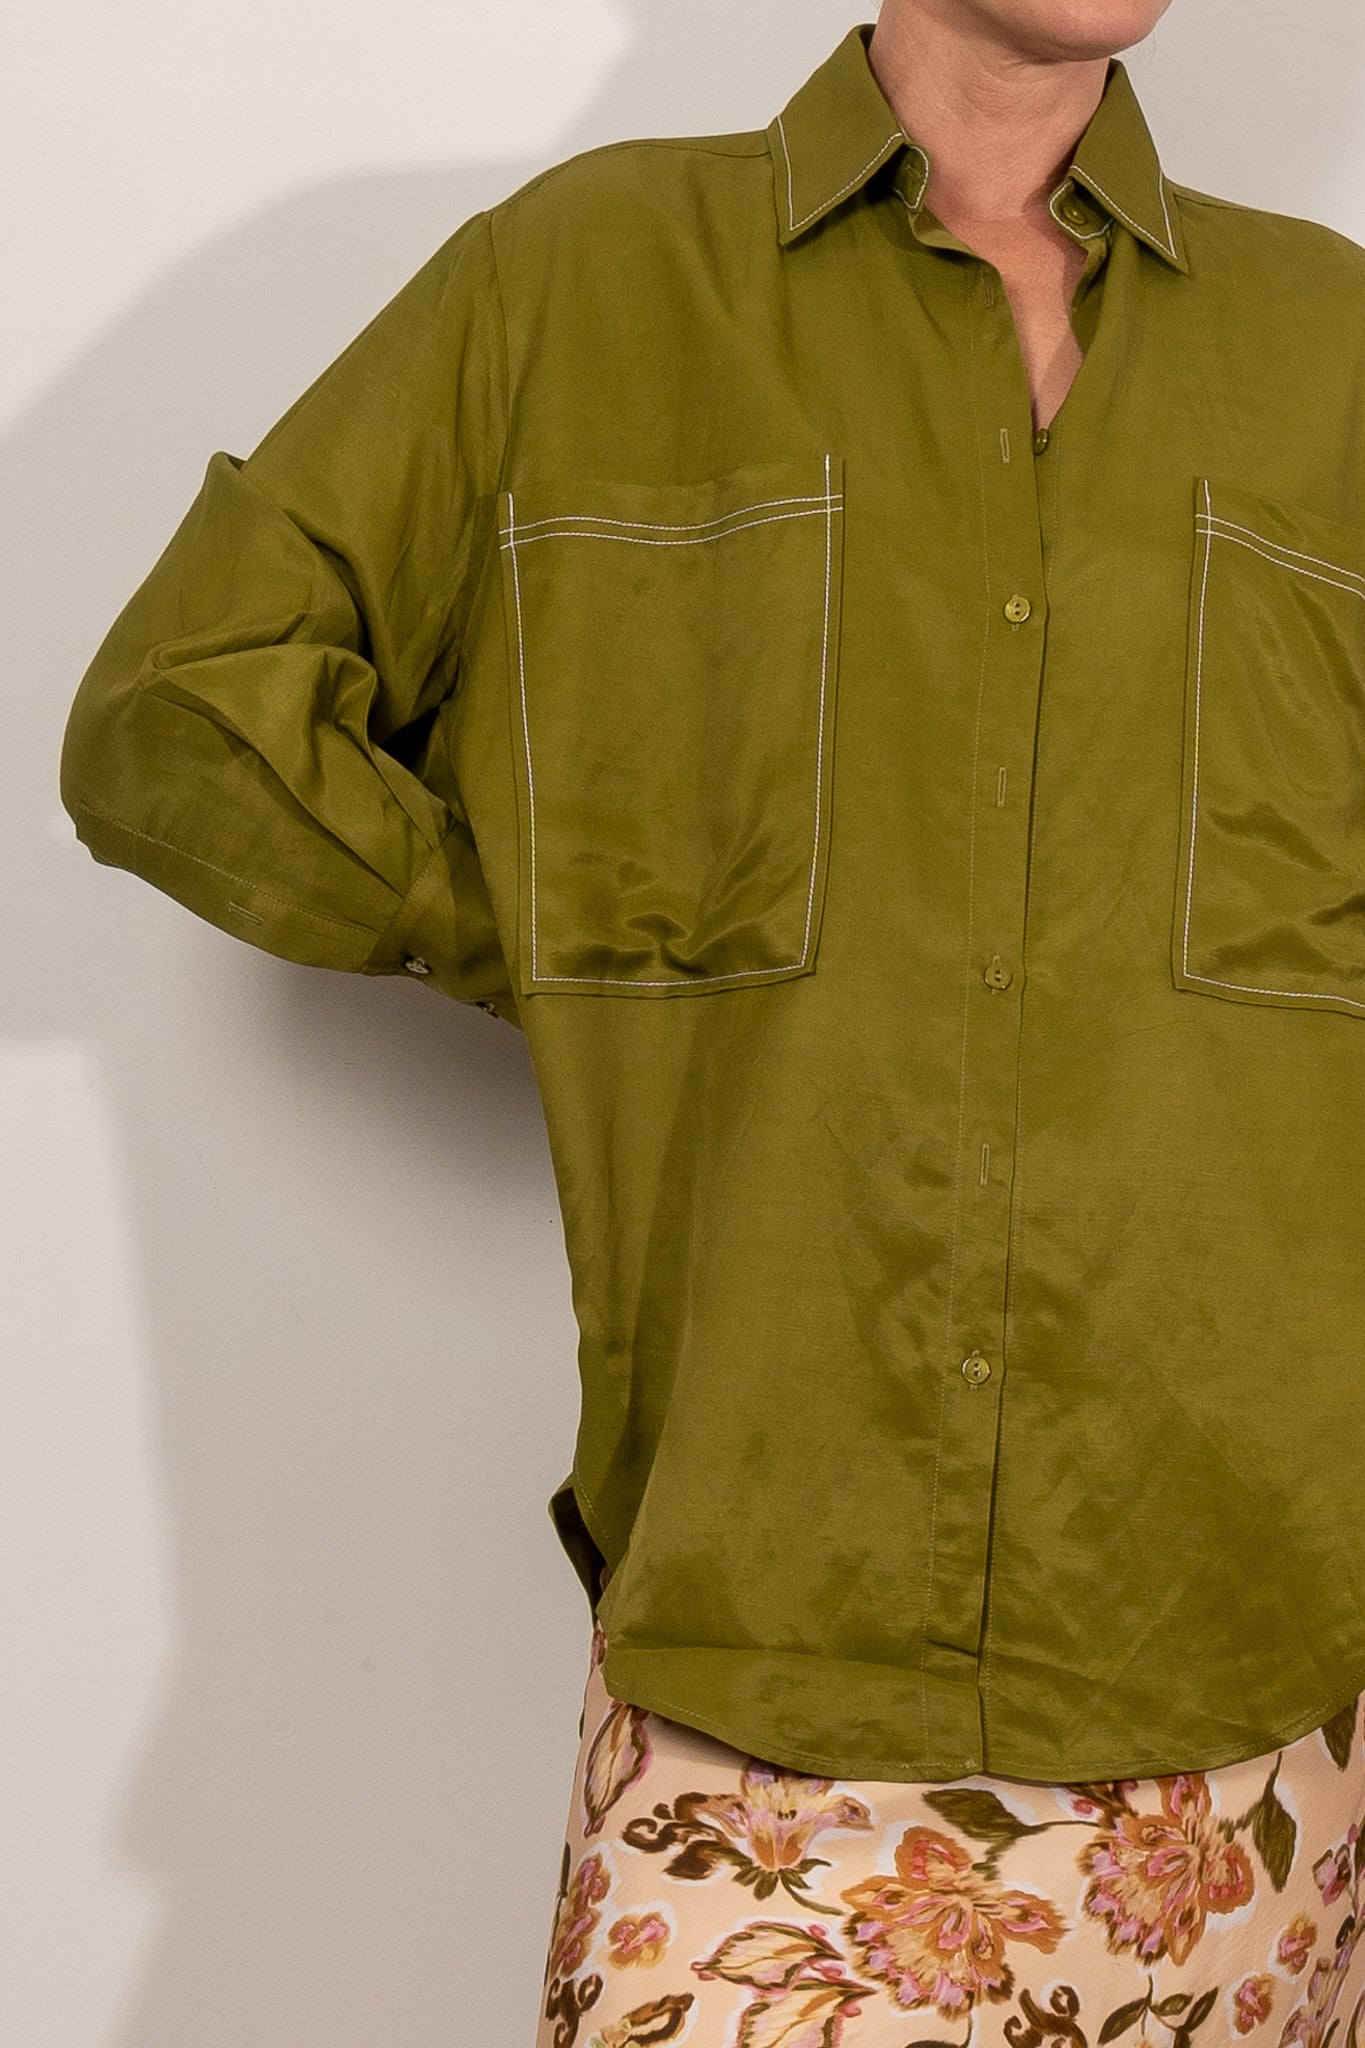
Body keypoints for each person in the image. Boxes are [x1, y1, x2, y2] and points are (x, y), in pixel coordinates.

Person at [59, 1, 1365, 2040]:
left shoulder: (1332, 347)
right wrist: (552, 930)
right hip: (761, 1682)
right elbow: (181, 711)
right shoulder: (582, 283)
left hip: (1254, 1702)